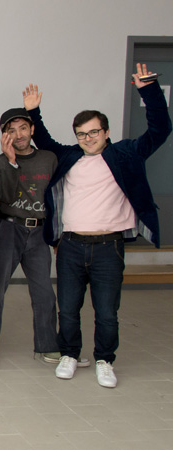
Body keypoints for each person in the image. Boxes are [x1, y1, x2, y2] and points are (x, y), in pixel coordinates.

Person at [24, 64, 172, 388]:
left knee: (106, 312)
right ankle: (70, 354)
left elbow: (160, 129)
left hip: (108, 247)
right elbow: (44, 140)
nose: (88, 139)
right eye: (81, 134)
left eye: (93, 132)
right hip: (71, 246)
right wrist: (34, 112)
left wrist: (148, 90)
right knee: (68, 309)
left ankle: (105, 360)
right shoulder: (69, 157)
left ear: (105, 132)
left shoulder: (125, 154)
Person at [0, 108, 84, 371]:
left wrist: (59, 234)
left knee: (44, 293)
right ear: (4, 136)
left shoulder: (49, 159)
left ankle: (47, 347)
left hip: (39, 232)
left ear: (32, 130)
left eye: (23, 128)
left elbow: (61, 194)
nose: (19, 135)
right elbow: (4, 197)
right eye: (11, 130)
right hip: (7, 229)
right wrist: (11, 162)